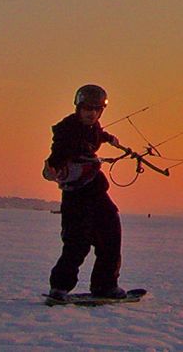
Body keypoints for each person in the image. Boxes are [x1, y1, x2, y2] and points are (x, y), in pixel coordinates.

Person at [43, 84, 126, 300]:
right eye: (87, 109)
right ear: (78, 108)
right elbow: (56, 157)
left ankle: (105, 285)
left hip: (96, 191)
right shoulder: (67, 132)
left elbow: (97, 133)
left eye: (96, 109)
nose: (92, 113)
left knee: (110, 235)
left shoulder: (94, 129)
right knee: (76, 242)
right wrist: (50, 170)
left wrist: (109, 138)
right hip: (76, 196)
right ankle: (60, 287)